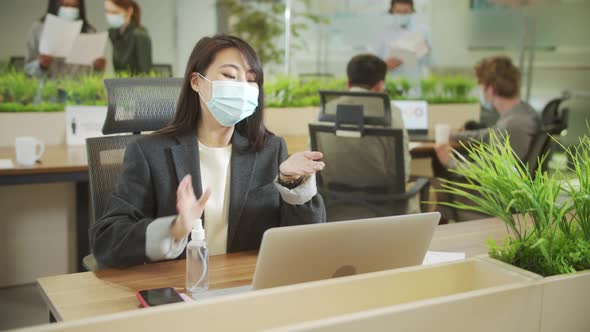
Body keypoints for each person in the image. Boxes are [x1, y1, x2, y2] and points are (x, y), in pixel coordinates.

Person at [90, 35, 326, 268]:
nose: (242, 87)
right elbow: (106, 240)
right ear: (196, 81)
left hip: (243, 287)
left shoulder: (270, 150)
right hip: (179, 290)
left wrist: (293, 184)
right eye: (229, 75)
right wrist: (175, 228)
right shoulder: (148, 153)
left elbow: (306, 243)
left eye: (251, 79)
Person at [433, 55, 541, 222]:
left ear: (490, 89)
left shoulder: (514, 125)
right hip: (505, 192)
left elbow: (491, 173)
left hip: (496, 200)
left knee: (436, 187)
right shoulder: (521, 113)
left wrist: (449, 162)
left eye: (481, 86)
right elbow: (491, 133)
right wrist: (455, 135)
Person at [321, 54, 418, 218]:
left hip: (334, 207)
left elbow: (314, 161)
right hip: (383, 210)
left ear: (348, 83)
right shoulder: (390, 113)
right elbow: (403, 173)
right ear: (380, 86)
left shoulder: (327, 110)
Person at [25, 0, 105, 79]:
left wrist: (98, 68)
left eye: (74, 6)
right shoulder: (38, 29)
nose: (70, 10)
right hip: (48, 89)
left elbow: (94, 76)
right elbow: (28, 68)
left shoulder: (89, 32)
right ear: (55, 4)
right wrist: (41, 65)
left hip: (80, 89)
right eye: (65, 5)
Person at [371, 0, 433, 86]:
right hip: (391, 83)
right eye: (398, 12)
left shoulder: (422, 31)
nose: (402, 15)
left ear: (412, 11)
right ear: (392, 11)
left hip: (414, 83)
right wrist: (385, 66)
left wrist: (427, 52)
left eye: (405, 12)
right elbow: (374, 65)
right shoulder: (383, 33)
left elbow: (430, 63)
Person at [104, 0, 152, 74]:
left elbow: (145, 73)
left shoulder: (140, 35)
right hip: (115, 83)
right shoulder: (111, 34)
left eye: (115, 12)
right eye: (107, 11)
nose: (110, 16)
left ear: (129, 11)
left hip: (134, 84)